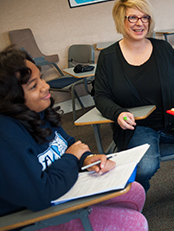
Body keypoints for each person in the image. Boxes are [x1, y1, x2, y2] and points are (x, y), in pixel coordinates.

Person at [0, 47, 148, 231]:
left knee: (135, 192)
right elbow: (40, 196)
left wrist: (86, 157)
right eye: (33, 86)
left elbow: (68, 143)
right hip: (33, 216)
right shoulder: (7, 136)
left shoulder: (37, 111)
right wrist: (72, 158)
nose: (45, 86)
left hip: (61, 190)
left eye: (41, 78)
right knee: (135, 224)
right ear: (9, 99)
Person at [94, 0, 174, 193]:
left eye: (145, 17)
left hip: (172, 118)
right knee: (145, 167)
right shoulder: (108, 57)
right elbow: (101, 96)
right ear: (120, 20)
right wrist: (118, 113)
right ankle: (137, 194)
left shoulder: (164, 49)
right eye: (132, 17)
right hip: (137, 127)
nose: (140, 23)